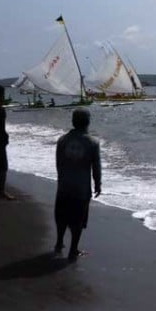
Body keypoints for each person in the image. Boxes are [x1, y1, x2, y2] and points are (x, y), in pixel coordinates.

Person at [54, 108, 102, 261]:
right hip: (81, 188)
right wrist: (98, 184)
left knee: (61, 216)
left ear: (73, 122)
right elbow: (96, 166)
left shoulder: (62, 140)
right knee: (78, 219)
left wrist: (61, 178)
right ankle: (73, 249)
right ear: (88, 122)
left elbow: (58, 163)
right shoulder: (92, 142)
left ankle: (59, 242)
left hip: (64, 185)